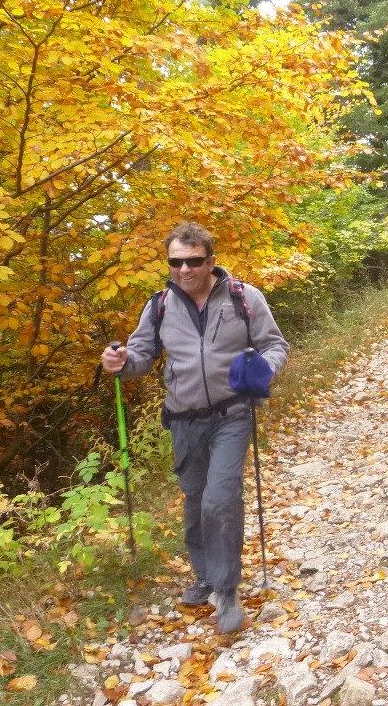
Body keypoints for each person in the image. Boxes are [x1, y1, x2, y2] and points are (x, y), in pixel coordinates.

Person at [101, 222, 290, 635]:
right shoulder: (159, 305)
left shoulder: (243, 297)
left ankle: (226, 590)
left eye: (193, 261)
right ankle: (205, 574)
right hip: (183, 418)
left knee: (219, 500)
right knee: (194, 502)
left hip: (232, 413)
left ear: (211, 261)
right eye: (175, 261)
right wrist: (119, 362)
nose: (184, 269)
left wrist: (263, 368)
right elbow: (141, 357)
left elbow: (275, 345)